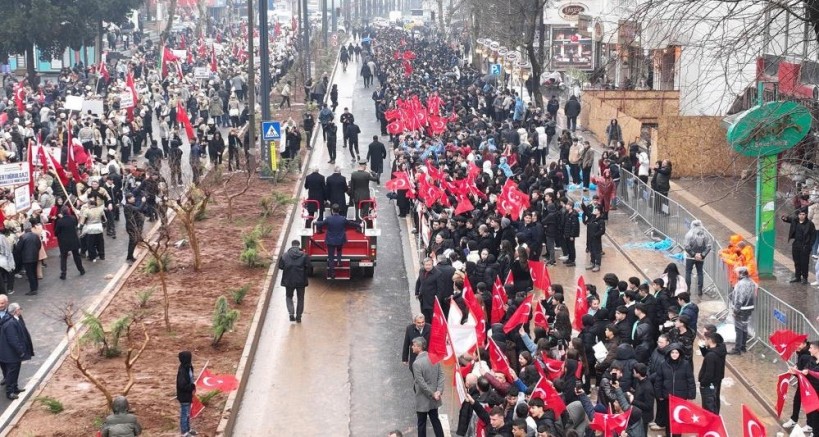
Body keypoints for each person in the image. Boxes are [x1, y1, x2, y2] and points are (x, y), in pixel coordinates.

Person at [411, 337, 445, 437]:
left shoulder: (416, 363)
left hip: (423, 398)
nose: (412, 347)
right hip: (435, 398)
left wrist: (432, 394)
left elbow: (421, 383)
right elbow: (441, 375)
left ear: (419, 347)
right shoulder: (434, 357)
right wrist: (438, 391)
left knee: (421, 424)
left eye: (414, 345)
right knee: (435, 420)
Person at [0, 303, 33, 400]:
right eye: (19, 309)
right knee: (11, 372)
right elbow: (13, 340)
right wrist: (21, 352)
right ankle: (10, 392)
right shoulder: (11, 323)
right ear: (15, 311)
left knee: (15, 371)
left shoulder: (14, 320)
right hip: (11, 354)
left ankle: (15, 387)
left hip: (13, 354)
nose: (21, 310)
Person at [315, 204, 357, 279]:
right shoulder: (343, 219)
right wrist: (360, 225)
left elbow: (321, 223)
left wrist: (314, 222)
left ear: (332, 210)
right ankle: (339, 261)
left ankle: (332, 273)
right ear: (339, 210)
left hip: (330, 241)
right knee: (339, 250)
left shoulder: (328, 219)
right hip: (340, 240)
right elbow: (351, 224)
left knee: (331, 257)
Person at [277, 240, 310, 322]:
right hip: (301, 281)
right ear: (299, 246)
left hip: (288, 281)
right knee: (300, 299)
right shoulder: (304, 255)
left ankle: (291, 313)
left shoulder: (284, 255)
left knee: (289, 297)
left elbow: (280, 266)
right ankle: (299, 317)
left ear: (291, 246)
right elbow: (309, 267)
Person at [782, 208, 816, 284]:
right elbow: (787, 219)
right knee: (797, 261)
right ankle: (797, 277)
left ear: (806, 215)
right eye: (800, 214)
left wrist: (809, 246)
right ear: (798, 215)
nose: (801, 216)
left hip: (805, 245)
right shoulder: (795, 221)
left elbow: (813, 235)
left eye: (803, 214)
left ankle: (804, 278)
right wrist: (783, 217)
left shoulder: (810, 224)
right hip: (796, 244)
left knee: (804, 262)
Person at [728, 266, 755, 355]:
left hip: (741, 309)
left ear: (741, 273)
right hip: (749, 308)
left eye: (737, 273)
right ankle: (743, 346)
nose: (736, 275)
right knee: (744, 327)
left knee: (738, 328)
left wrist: (736, 310)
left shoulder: (740, 284)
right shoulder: (751, 282)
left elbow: (739, 299)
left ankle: (737, 348)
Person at [53, 206, 85, 279]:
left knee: (64, 258)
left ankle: (63, 274)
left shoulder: (60, 221)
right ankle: (81, 270)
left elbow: (56, 232)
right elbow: (76, 225)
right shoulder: (73, 218)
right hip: (74, 240)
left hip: (64, 242)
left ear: (61, 213)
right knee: (76, 256)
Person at [698, 332, 726, 413]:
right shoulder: (720, 350)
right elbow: (708, 353)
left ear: (710, 340)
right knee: (714, 404)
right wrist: (703, 348)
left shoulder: (711, 356)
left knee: (708, 408)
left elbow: (709, 373)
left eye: (705, 339)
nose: (704, 341)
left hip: (709, 385)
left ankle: (711, 424)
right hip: (715, 382)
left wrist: (703, 383)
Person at [683, 220, 712, 296]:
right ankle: (700, 290)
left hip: (690, 257)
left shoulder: (689, 234)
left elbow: (686, 246)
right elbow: (708, 246)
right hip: (700, 258)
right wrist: (702, 255)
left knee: (688, 272)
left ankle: (688, 289)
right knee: (700, 273)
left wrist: (693, 254)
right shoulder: (705, 235)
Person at [15, 222, 41, 296]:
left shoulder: (23, 237)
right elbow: (39, 245)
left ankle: (33, 289)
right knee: (34, 272)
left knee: (30, 274)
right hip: (35, 256)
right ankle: (35, 286)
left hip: (27, 258)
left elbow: (18, 248)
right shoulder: (35, 236)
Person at [415, 258, 444, 323]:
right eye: (426, 265)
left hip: (432, 301)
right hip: (423, 299)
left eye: (429, 265)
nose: (427, 267)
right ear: (423, 265)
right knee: (425, 317)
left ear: (432, 264)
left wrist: (437, 301)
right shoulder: (421, 270)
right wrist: (416, 292)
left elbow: (440, 289)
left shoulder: (438, 274)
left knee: (433, 319)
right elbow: (419, 281)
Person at [176, 351, 197, 437]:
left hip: (188, 394)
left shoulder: (189, 367)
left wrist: (193, 387)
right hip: (184, 396)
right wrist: (191, 386)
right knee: (185, 414)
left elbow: (191, 379)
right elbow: (182, 385)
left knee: (188, 413)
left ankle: (188, 429)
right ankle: (184, 432)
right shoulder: (182, 371)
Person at [124, 194, 148, 263]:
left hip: (134, 226)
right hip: (131, 227)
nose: (134, 198)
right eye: (132, 197)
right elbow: (139, 209)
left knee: (135, 241)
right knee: (132, 242)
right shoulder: (128, 206)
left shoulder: (131, 205)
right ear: (128, 199)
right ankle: (129, 257)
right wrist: (143, 202)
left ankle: (131, 256)